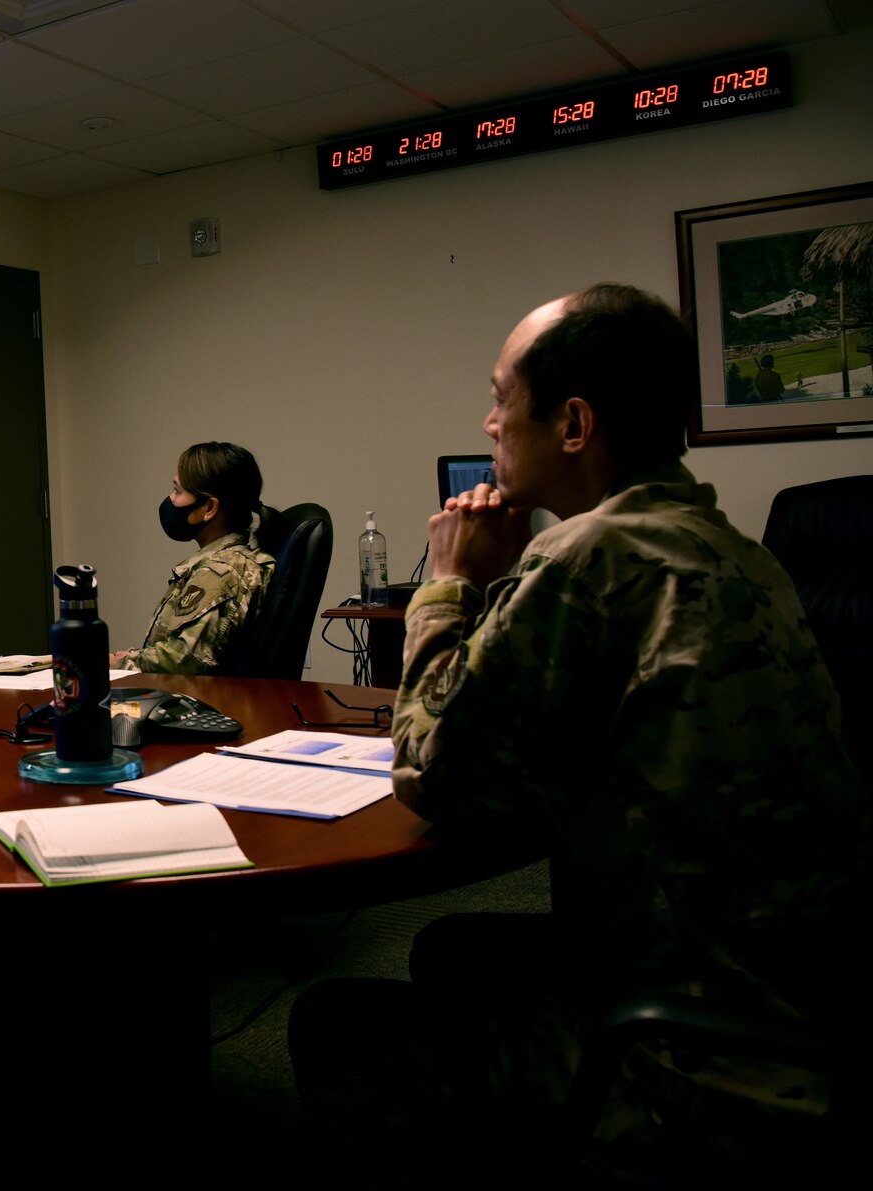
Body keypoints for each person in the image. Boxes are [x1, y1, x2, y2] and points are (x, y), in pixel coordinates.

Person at [289, 284, 861, 1177]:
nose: (486, 423)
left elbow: (434, 778)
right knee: (449, 946)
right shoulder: (731, 545)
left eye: (500, 398)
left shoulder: (587, 555)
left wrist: (446, 583)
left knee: (333, 1020)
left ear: (574, 424)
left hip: (695, 1060)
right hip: (804, 1001)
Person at [110, 442, 274, 675]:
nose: (171, 500)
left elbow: (182, 660)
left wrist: (120, 663)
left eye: (178, 491)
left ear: (209, 507)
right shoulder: (222, 564)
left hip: (192, 702)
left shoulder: (221, 573)